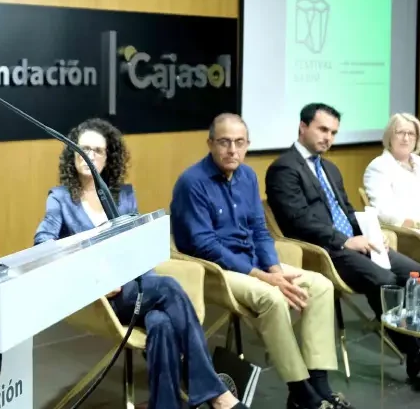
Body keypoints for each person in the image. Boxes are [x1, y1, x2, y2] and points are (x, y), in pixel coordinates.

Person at [34, 118, 247, 409]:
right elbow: (43, 243)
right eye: (83, 148)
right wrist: (88, 272)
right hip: (101, 296)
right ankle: (213, 391)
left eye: (97, 150)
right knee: (168, 287)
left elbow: (139, 246)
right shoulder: (60, 198)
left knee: (161, 324)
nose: (89, 155)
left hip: (137, 286)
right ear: (72, 154)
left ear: (108, 158)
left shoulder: (124, 196)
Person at [171, 113, 350, 409]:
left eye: (239, 142)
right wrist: (265, 277)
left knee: (321, 285)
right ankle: (301, 391)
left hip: (252, 262)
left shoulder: (248, 176)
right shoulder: (192, 182)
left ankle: (320, 384)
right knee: (272, 297)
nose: (232, 150)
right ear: (210, 143)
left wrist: (276, 270)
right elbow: (205, 246)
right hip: (213, 270)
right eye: (224, 142)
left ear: (247, 144)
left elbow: (259, 230)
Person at [265, 103, 420, 384]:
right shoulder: (284, 169)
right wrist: (346, 240)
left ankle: (415, 345)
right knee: (385, 281)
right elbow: (298, 221)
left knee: (415, 273)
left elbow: (348, 212)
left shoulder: (330, 168)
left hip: (355, 243)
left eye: (333, 132)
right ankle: (416, 354)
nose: (328, 137)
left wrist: (373, 234)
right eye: (322, 129)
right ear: (303, 127)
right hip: (323, 250)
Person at [363, 113, 420, 232]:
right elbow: (384, 211)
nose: (406, 138)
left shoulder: (418, 162)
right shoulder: (378, 167)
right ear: (389, 136)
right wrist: (414, 223)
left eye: (411, 133)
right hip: (405, 233)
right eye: (400, 132)